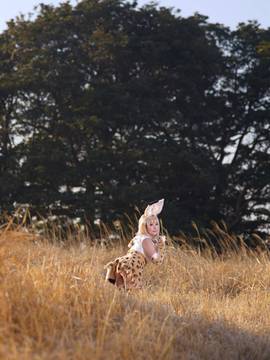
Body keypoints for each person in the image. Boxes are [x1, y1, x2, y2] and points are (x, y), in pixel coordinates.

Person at [104, 199, 166, 291]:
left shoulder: (138, 238)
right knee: (134, 292)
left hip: (122, 261)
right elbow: (157, 261)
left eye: (156, 224)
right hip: (133, 266)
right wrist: (161, 246)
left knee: (119, 293)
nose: (155, 227)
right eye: (151, 224)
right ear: (144, 226)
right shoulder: (147, 240)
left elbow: (131, 247)